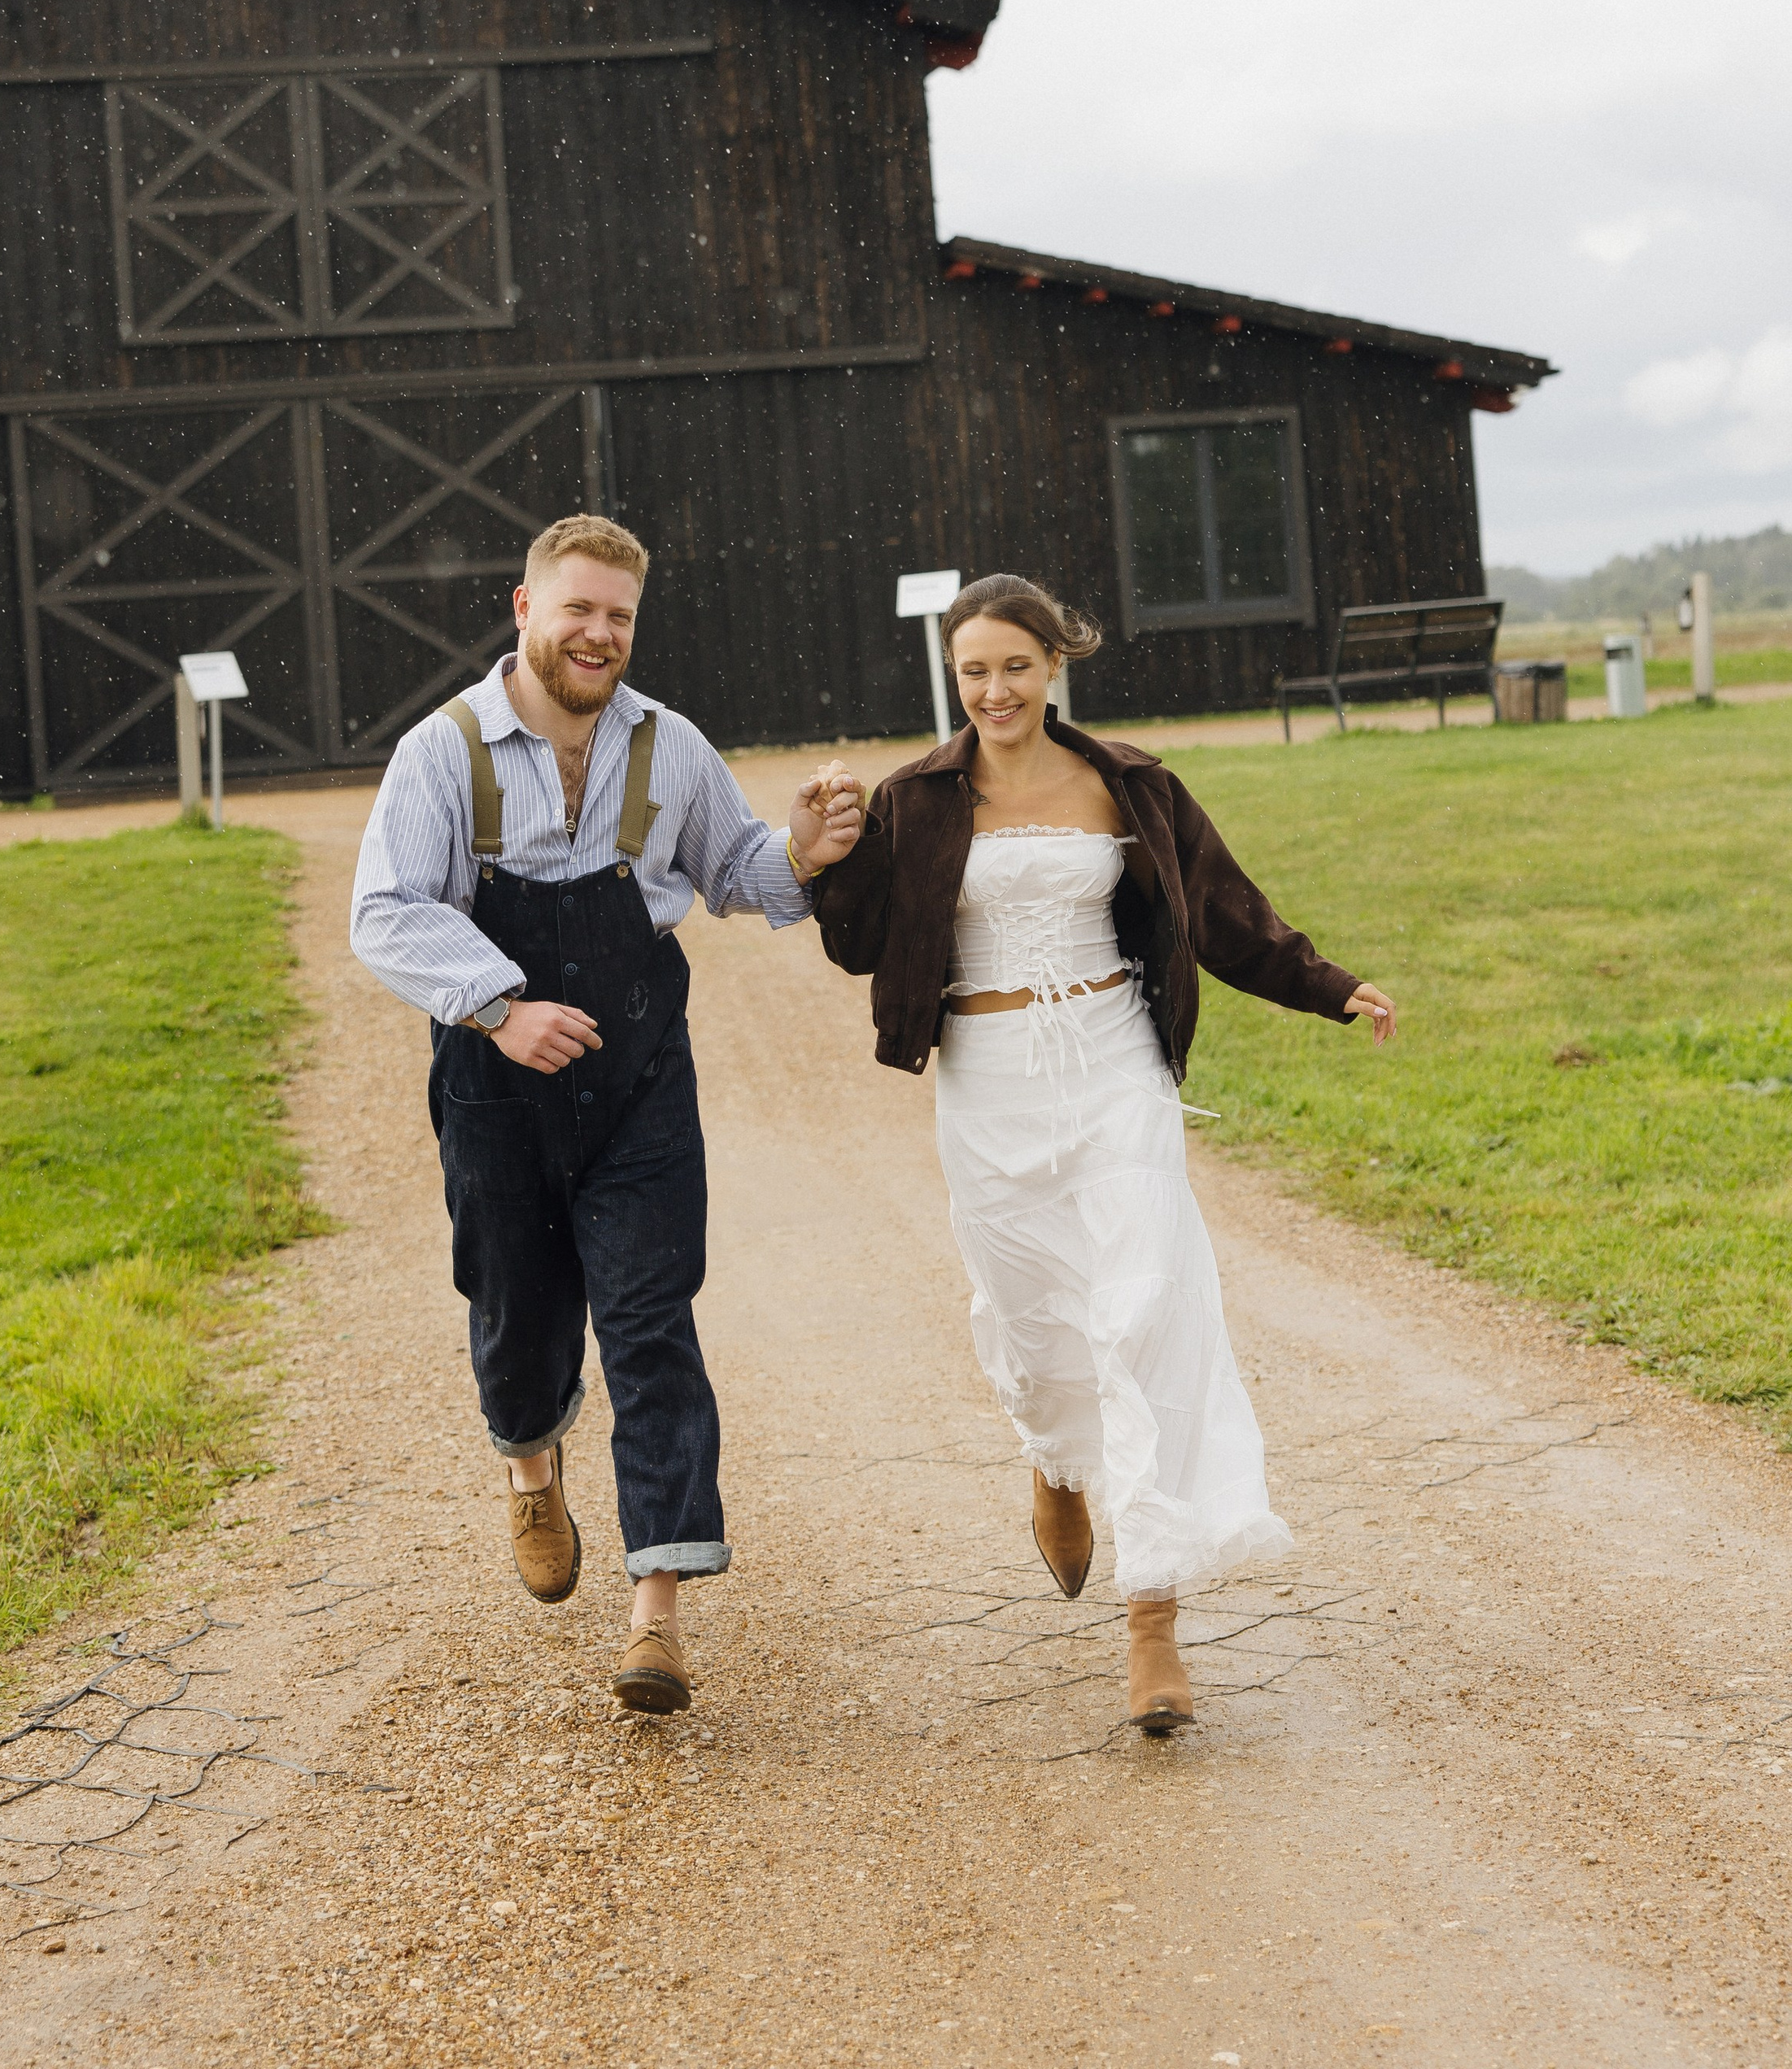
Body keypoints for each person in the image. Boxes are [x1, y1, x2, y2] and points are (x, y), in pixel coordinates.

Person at [811, 573, 1396, 1738]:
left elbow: (1226, 912)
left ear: (1054, 667)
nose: (993, 691)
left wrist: (1329, 988)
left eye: (1014, 668)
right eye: (972, 671)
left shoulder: (1126, 782)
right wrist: (822, 859)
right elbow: (859, 943)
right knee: (1035, 1325)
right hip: (989, 1090)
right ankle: (1057, 1458)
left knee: (1144, 1315)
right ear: (955, 676)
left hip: (1116, 1069)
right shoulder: (917, 799)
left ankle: (1152, 1622)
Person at [349, 513, 860, 1714]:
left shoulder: (667, 746)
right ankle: (531, 1465)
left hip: (638, 1085)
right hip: (495, 1086)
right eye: (577, 609)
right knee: (518, 1316)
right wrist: (497, 1005)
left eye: (619, 616)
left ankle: (656, 1615)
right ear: (523, 609)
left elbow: (739, 870)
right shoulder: (444, 751)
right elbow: (382, 912)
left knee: (649, 1323)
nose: (599, 634)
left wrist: (807, 845)